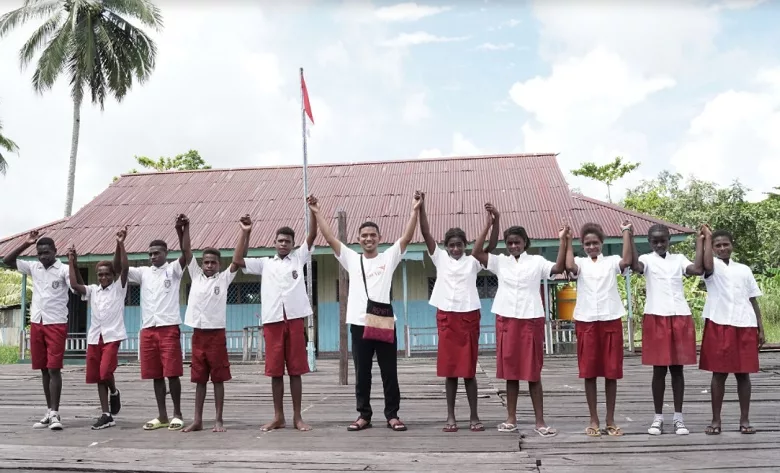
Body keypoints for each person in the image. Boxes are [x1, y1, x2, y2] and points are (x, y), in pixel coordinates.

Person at [309, 192, 421, 432]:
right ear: (358, 239)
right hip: (359, 323)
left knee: (389, 372)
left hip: (383, 322)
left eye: (372, 235)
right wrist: (317, 212)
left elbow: (407, 237)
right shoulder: (351, 258)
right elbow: (330, 239)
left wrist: (414, 210)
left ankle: (392, 415)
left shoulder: (388, 258)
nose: (368, 238)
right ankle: (364, 415)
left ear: (379, 238)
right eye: (364, 235)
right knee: (362, 373)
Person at [471, 210, 566, 437]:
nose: (513, 246)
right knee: (511, 373)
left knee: (533, 373)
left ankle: (540, 421)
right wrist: (491, 223)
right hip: (506, 319)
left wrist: (564, 241)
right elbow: (476, 252)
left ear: (525, 243)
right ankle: (511, 418)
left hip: (531, 319)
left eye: (517, 242)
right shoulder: (500, 261)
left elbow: (559, 268)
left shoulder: (537, 261)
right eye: (510, 242)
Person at [233, 205, 318, 432]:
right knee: (275, 371)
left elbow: (312, 236)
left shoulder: (298, 258)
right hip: (272, 322)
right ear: (275, 242)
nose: (283, 244)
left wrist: (313, 211)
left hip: (295, 319)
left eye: (287, 241)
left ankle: (297, 417)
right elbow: (238, 259)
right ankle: (278, 416)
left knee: (296, 370)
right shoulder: (265, 263)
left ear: (292, 244)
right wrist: (245, 232)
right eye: (280, 240)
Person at [418, 193, 499, 433]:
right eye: (451, 245)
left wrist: (493, 221)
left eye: (459, 244)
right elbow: (425, 233)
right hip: (446, 318)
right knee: (450, 371)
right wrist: (421, 207)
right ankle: (451, 416)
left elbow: (491, 245)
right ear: (446, 247)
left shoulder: (473, 260)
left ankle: (474, 416)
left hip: (468, 317)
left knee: (469, 371)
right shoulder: (440, 258)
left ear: (465, 245)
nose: (455, 248)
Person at [631, 224, 708, 436]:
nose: (659, 244)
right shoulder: (647, 260)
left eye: (662, 240)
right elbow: (635, 265)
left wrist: (701, 242)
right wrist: (628, 234)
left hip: (679, 315)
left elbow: (698, 270)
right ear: (649, 242)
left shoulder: (679, 259)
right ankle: (658, 418)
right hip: (656, 316)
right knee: (658, 370)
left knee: (677, 369)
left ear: (669, 240)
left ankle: (678, 418)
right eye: (654, 241)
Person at [181, 216, 250, 433]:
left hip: (216, 336)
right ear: (201, 264)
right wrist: (187, 228)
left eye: (213, 262)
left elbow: (238, 259)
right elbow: (187, 250)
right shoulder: (196, 275)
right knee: (199, 379)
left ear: (219, 265)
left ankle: (219, 419)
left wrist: (244, 231)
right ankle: (198, 420)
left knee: (218, 379)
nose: (209, 265)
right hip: (198, 335)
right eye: (206, 262)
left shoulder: (224, 279)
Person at [565, 222, 633, 437]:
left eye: (595, 242)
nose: (591, 246)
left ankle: (610, 419)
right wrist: (566, 239)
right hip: (586, 321)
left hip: (610, 318)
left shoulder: (612, 262)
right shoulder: (580, 263)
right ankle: (593, 419)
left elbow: (628, 260)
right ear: (582, 245)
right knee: (589, 373)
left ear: (602, 243)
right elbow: (569, 267)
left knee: (611, 373)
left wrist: (625, 232)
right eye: (587, 243)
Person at [3, 231, 71, 430]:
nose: (43, 256)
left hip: (56, 322)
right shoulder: (34, 267)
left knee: (54, 368)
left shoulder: (64, 270)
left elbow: (75, 285)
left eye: (47, 252)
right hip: (37, 322)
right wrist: (26, 243)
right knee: (43, 369)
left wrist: (73, 262)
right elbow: (7, 260)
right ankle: (49, 411)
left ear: (55, 251)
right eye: (40, 253)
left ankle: (56, 413)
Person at [128, 215, 189, 431]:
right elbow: (120, 267)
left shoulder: (172, 270)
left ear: (166, 254)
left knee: (172, 373)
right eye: (151, 254)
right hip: (148, 329)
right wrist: (119, 244)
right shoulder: (143, 273)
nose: (153, 256)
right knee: (155, 375)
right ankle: (162, 415)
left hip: (168, 327)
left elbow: (187, 254)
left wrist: (182, 230)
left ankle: (177, 413)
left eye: (157, 253)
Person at [700, 229, 764, 435]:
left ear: (732, 245)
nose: (722, 248)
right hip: (719, 323)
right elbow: (707, 265)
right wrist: (706, 239)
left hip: (745, 323)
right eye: (717, 245)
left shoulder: (744, 269)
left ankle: (744, 420)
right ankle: (716, 420)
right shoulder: (710, 267)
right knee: (719, 374)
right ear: (712, 248)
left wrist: (760, 327)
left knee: (743, 374)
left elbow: (752, 298)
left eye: (725, 244)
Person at [67, 227, 129, 430]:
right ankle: (106, 413)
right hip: (95, 337)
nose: (103, 278)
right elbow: (76, 286)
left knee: (105, 372)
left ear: (112, 275)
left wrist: (120, 243)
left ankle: (114, 391)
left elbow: (124, 268)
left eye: (106, 274)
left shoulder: (119, 288)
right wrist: (71, 262)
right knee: (97, 376)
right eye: (100, 275)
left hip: (112, 335)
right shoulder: (93, 291)